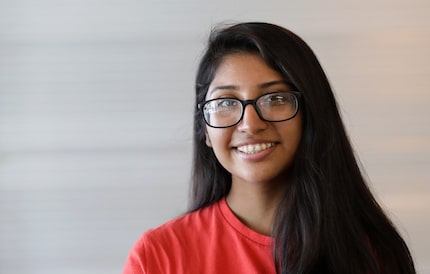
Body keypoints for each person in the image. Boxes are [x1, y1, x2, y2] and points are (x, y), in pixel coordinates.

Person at [123, 22, 415, 274]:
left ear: (310, 115)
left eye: (275, 99)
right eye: (225, 102)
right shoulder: (158, 257)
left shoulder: (370, 253)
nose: (250, 124)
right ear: (206, 131)